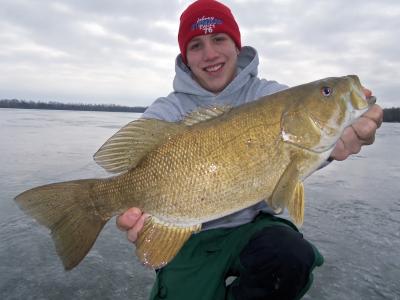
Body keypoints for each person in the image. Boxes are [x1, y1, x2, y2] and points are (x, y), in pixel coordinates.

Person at [117, 1, 383, 299]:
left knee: (289, 254)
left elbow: (304, 150)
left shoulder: (272, 96)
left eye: (219, 39)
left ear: (236, 45)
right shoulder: (166, 111)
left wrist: (338, 142)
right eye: (196, 45)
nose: (210, 54)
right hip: (188, 235)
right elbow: (132, 165)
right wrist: (132, 210)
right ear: (185, 57)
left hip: (253, 228)